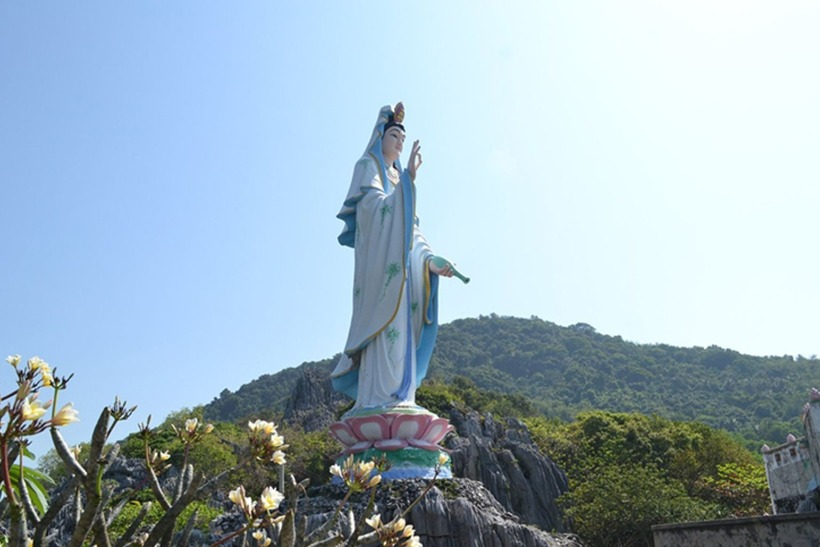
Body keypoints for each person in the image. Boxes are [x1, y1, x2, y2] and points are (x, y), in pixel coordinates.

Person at [332, 103, 453, 410]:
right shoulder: (368, 167)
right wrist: (408, 181)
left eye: (402, 138)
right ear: (380, 137)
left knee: (402, 332)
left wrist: (430, 260)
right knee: (383, 331)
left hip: (405, 273)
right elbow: (373, 211)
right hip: (379, 269)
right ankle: (375, 399)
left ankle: (401, 397)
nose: (399, 142)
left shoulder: (400, 180)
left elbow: (413, 232)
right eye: (394, 135)